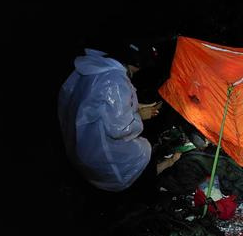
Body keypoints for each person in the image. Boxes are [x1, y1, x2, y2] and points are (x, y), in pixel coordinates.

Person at [58, 39, 180, 193]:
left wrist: (135, 106)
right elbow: (120, 128)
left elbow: (99, 106)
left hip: (81, 146)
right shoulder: (115, 80)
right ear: (136, 62)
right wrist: (139, 115)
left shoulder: (95, 68)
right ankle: (148, 188)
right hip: (103, 158)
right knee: (142, 156)